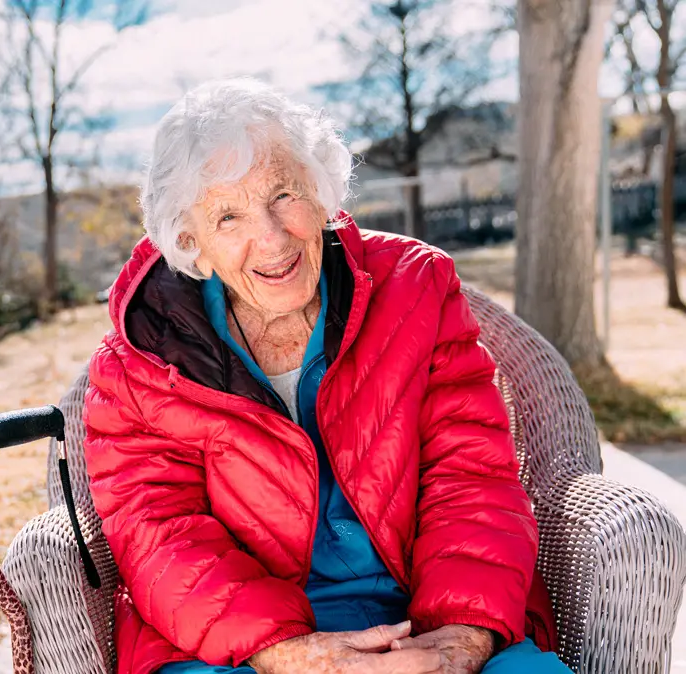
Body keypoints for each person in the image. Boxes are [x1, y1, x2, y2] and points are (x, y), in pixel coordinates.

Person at [82, 78, 568, 674]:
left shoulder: (416, 287)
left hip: (428, 613)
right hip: (238, 646)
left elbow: (471, 474)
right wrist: (285, 653)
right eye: (228, 215)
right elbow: (158, 533)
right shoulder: (139, 365)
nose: (271, 236)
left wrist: (460, 639)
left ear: (322, 191)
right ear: (194, 245)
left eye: (285, 194)